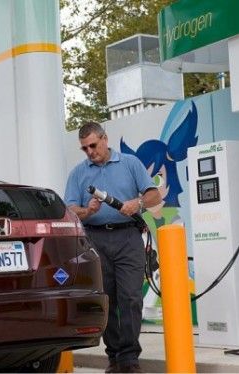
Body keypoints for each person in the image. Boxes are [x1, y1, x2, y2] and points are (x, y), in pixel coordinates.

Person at [64, 122, 162, 373]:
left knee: (131, 297)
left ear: (105, 139)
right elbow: (71, 210)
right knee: (106, 300)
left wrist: (137, 202)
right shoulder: (78, 173)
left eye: (93, 145)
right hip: (95, 240)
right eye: (84, 148)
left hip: (128, 237)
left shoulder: (130, 163)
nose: (90, 151)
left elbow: (155, 195)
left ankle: (129, 358)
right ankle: (114, 356)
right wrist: (88, 210)